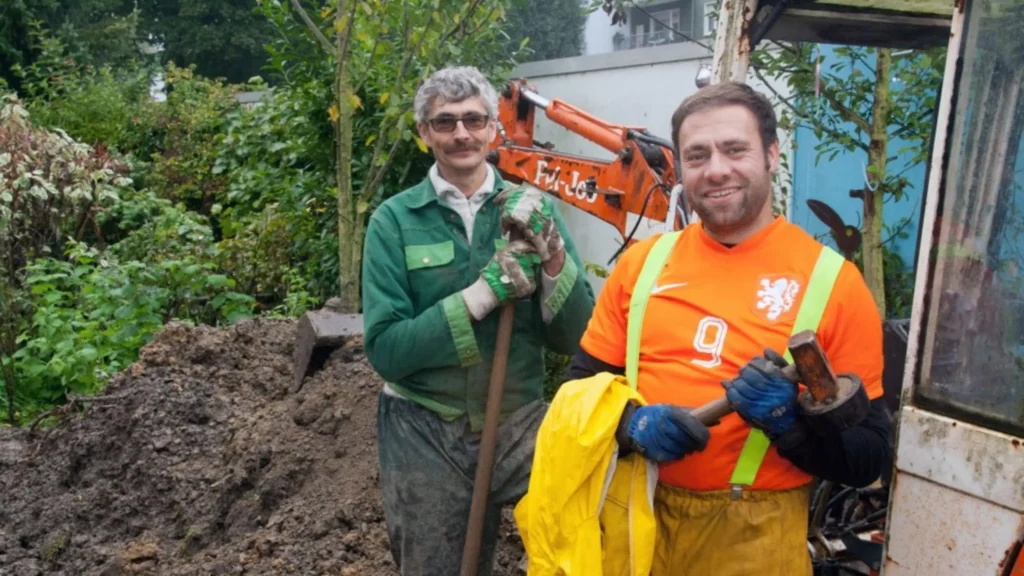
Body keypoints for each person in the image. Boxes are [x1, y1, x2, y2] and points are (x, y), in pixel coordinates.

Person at [566, 81, 892, 574]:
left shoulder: (834, 284)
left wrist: (792, 429)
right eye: (697, 155)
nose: (716, 169)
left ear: (771, 155)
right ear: (682, 168)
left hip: (756, 543)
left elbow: (869, 458)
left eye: (734, 149)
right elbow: (576, 393)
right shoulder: (641, 266)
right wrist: (628, 427)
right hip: (633, 525)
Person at [360, 66, 596, 576]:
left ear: (494, 128)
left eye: (473, 119)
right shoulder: (394, 221)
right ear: (424, 133)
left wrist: (553, 257)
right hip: (424, 428)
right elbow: (387, 351)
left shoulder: (530, 209)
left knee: (589, 525)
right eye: (445, 122)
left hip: (517, 421)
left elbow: (575, 339)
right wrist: (480, 296)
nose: (461, 134)